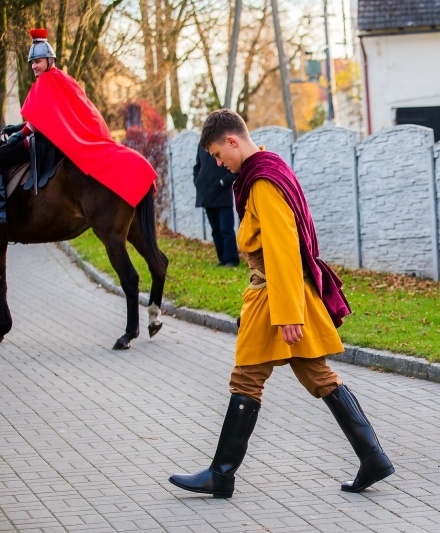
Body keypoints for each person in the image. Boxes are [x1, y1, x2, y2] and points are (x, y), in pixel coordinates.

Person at [168, 109, 394, 498]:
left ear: (233, 141)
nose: (219, 164)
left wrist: (289, 313)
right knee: (318, 376)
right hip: (280, 291)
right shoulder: (269, 168)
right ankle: (373, 458)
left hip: (274, 293)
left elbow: (284, 249)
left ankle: (221, 475)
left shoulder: (262, 184)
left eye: (219, 155)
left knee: (246, 379)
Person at [0, 29, 156, 225]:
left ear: (50, 60)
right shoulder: (63, 79)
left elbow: (41, 123)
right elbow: (51, 116)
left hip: (45, 144)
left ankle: (1, 210)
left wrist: (20, 134)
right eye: (32, 62)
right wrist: (19, 128)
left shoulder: (47, 82)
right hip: (49, 139)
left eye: (38, 61)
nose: (34, 66)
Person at [193, 144, 239, 266]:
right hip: (207, 196)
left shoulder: (222, 143)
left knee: (226, 229)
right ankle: (222, 259)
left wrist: (223, 182)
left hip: (223, 196)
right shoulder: (202, 146)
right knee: (216, 230)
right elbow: (197, 166)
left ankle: (231, 260)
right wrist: (198, 182)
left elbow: (235, 169)